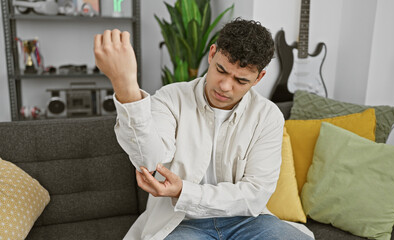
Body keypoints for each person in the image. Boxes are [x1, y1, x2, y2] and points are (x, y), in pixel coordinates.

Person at [94, 18, 313, 240]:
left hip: (246, 221)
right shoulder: (171, 98)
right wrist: (126, 87)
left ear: (259, 78)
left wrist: (184, 191)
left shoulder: (268, 116)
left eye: (241, 80)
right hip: (181, 222)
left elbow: (254, 195)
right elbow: (150, 161)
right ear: (211, 54)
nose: (225, 86)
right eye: (221, 70)